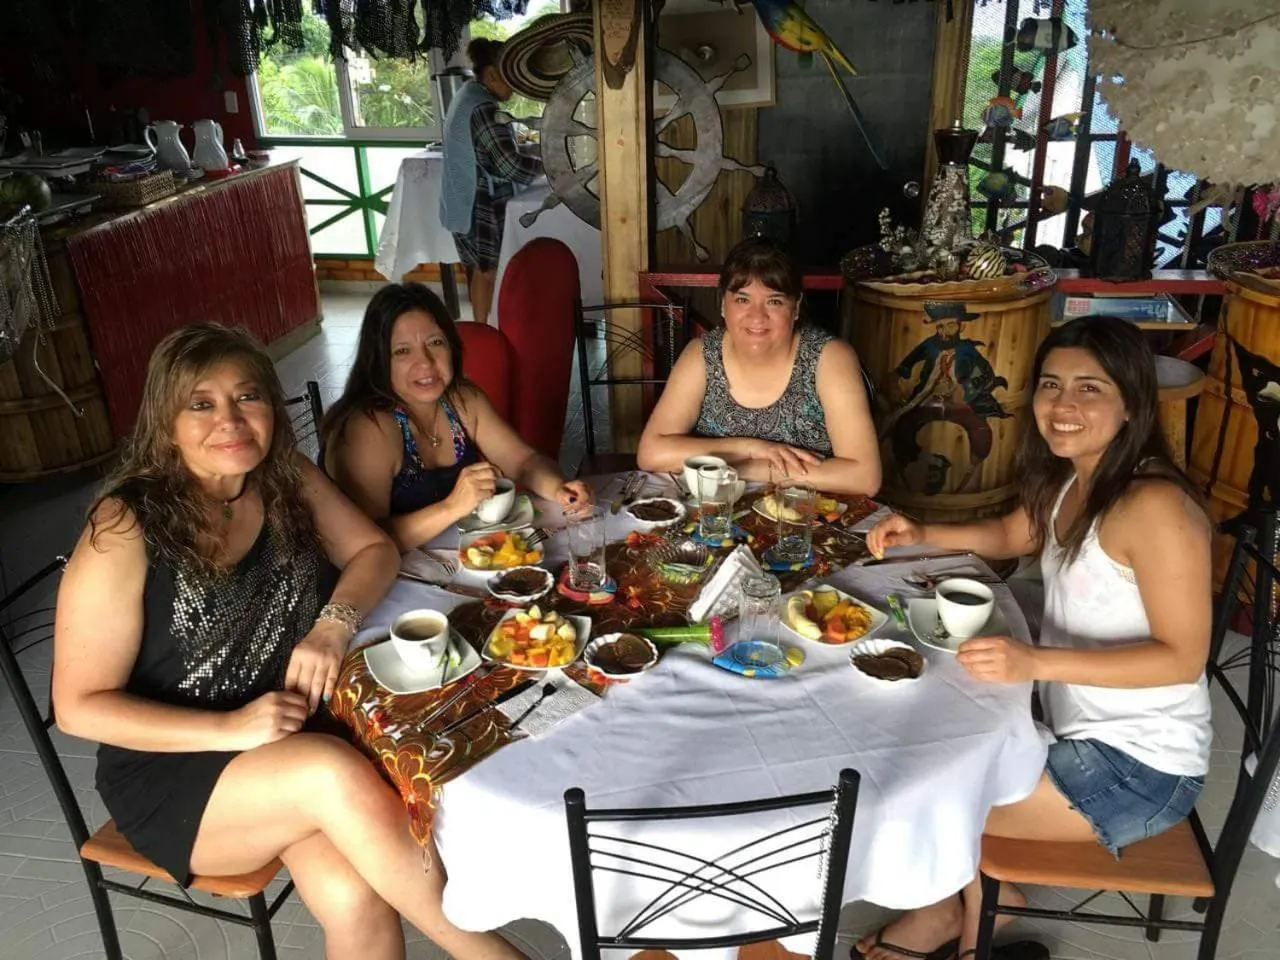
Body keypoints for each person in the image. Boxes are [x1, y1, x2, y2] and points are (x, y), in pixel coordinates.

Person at [53, 324, 526, 960]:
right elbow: (80, 706)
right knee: (333, 774)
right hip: (176, 767)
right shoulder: (124, 527)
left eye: (248, 398)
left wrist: (332, 624)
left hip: (284, 737)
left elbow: (373, 549)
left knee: (356, 897)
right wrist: (233, 731)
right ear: (164, 422)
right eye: (201, 403)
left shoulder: (284, 477)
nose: (231, 420)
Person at [858, 316, 1212, 960]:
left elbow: (1183, 660)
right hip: (1075, 729)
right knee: (927, 738)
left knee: (920, 795)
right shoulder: (1076, 474)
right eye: (1051, 385)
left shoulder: (1154, 506)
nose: (1063, 405)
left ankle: (970, 925)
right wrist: (922, 532)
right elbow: (1014, 534)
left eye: (1089, 389)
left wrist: (1032, 661)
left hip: (1138, 769)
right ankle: (952, 906)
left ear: (1131, 402)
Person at [322, 282, 591, 552]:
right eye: (402, 351)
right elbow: (365, 542)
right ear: (379, 360)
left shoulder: (462, 400)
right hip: (385, 581)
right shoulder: (368, 427)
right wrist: (452, 507)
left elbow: (523, 462)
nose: (425, 362)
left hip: (451, 561)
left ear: (452, 346)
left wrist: (558, 489)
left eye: (435, 343)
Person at [636, 236, 881, 497]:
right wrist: (750, 448)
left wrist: (748, 468)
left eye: (774, 301)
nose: (757, 316)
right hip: (716, 515)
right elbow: (651, 454)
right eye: (742, 299)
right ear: (723, 304)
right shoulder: (702, 355)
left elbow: (865, 477)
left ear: (795, 308)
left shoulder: (828, 358)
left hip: (813, 520)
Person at [439, 37, 543, 325]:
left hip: (463, 201)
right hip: (480, 203)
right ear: (492, 74)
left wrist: (529, 153)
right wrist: (545, 165)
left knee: (481, 272)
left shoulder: (466, 95)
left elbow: (491, 152)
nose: (516, 85)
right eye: (511, 77)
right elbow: (507, 165)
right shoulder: (483, 107)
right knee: (490, 273)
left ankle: (482, 330)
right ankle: (493, 337)